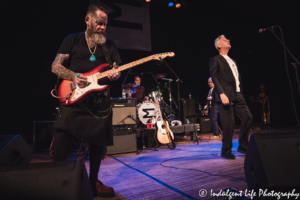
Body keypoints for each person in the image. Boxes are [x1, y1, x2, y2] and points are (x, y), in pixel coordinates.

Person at [51, 5, 121, 198]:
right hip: (73, 98)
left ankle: (93, 182)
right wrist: (73, 76)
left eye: (105, 25)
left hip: (98, 103)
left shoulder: (110, 46)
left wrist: (116, 75)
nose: (102, 28)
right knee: (63, 134)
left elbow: (116, 69)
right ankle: (56, 180)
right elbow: (56, 67)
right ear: (87, 20)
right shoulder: (72, 39)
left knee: (98, 143)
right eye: (99, 23)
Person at [209, 35, 253, 159]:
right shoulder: (215, 59)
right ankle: (226, 150)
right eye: (225, 40)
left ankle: (243, 146)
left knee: (247, 117)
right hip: (226, 95)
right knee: (229, 123)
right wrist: (222, 94)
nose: (228, 40)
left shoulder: (233, 60)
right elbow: (214, 77)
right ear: (219, 45)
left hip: (238, 95)